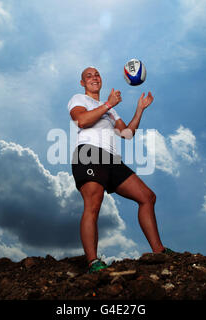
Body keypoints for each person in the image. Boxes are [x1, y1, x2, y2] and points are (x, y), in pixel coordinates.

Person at [68, 67, 173, 274]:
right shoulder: (79, 99)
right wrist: (109, 103)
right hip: (88, 154)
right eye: (88, 76)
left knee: (147, 197)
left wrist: (140, 109)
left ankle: (158, 250)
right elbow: (82, 120)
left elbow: (126, 134)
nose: (94, 78)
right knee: (94, 203)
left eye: (97, 74)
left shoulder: (110, 110)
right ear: (82, 83)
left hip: (111, 159)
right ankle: (93, 262)